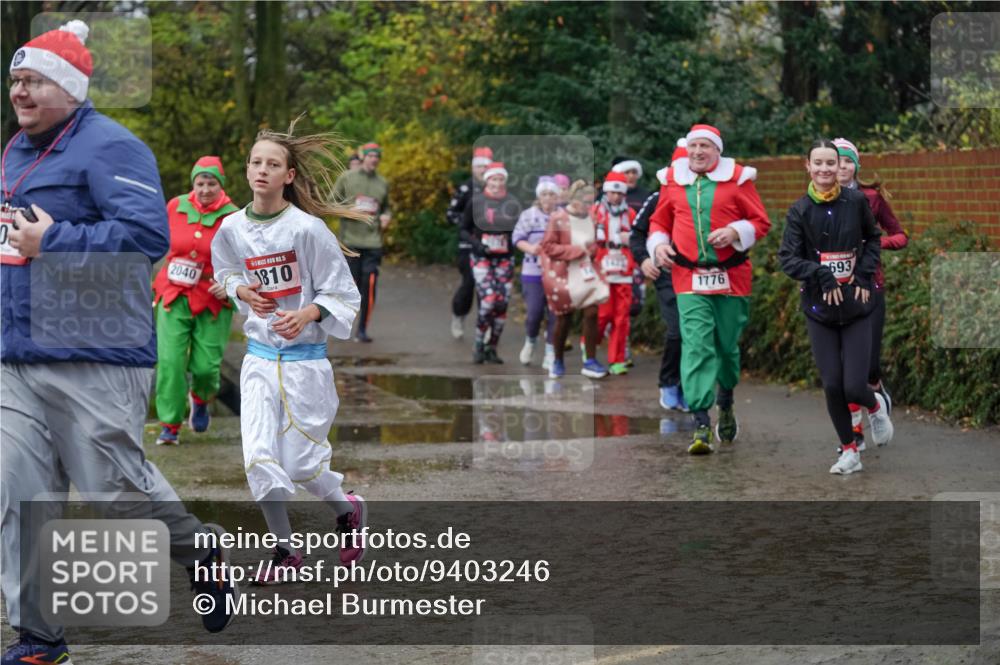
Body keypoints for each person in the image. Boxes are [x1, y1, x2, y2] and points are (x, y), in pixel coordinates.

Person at [2, 21, 237, 663]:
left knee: (115, 495)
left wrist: (53, 241)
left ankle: (200, 551)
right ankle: (39, 637)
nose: (19, 91)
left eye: (34, 80)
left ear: (70, 88)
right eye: (15, 79)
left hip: (94, 352)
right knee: (16, 490)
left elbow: (145, 238)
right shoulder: (16, 151)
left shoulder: (112, 147)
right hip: (17, 355)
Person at [211, 122, 368, 583]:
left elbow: (344, 295)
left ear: (289, 176)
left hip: (305, 366)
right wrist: (242, 288)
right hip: (259, 360)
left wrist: (309, 314)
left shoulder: (308, 230)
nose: (262, 170)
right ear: (247, 170)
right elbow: (222, 273)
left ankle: (348, 510)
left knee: (300, 464)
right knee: (258, 458)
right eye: (256, 162)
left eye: (273, 164)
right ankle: (284, 551)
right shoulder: (232, 228)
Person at [647, 124, 771, 454]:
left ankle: (726, 400)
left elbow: (761, 222)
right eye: (693, 146)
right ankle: (701, 421)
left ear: (717, 150)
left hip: (731, 277)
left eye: (705, 146)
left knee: (726, 347)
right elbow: (659, 222)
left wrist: (734, 232)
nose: (698, 152)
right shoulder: (673, 181)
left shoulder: (738, 180)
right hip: (688, 278)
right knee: (696, 345)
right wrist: (658, 246)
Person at [779, 139, 895, 475]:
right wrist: (819, 274)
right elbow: (788, 258)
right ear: (808, 166)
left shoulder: (856, 201)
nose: (826, 169)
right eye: (819, 163)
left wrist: (860, 276)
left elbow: (872, 239)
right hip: (820, 310)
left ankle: (875, 408)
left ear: (840, 166)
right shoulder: (800, 210)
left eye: (832, 163)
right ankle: (849, 451)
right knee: (832, 384)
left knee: (855, 385)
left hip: (857, 306)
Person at [152, 156, 239, 445]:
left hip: (213, 299)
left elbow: (247, 261)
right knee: (170, 362)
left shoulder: (234, 217)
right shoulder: (176, 206)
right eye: (199, 183)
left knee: (205, 368)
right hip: (174, 294)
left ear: (221, 185)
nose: (204, 189)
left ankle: (201, 398)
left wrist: (228, 284)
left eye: (211, 183)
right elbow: (160, 242)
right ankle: (170, 425)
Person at [833, 137, 908, 448]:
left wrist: (873, 247)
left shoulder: (872, 198)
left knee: (868, 366)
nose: (841, 167)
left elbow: (901, 236)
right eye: (835, 161)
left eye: (847, 161)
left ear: (856, 166)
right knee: (844, 367)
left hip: (870, 287)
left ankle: (876, 388)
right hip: (836, 293)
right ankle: (856, 433)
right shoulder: (819, 200)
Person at [630, 139, 689, 411]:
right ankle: (668, 381)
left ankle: (690, 387)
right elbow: (637, 235)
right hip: (667, 275)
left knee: (696, 335)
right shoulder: (658, 198)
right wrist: (643, 260)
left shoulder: (709, 195)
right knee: (678, 331)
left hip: (699, 275)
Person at [540, 180, 610, 379]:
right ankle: (558, 359)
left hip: (586, 271)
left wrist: (593, 250)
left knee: (592, 312)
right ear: (573, 199)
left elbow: (594, 243)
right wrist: (575, 251)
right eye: (584, 202)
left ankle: (590, 360)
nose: (587, 206)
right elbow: (548, 246)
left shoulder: (592, 216)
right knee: (564, 319)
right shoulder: (558, 218)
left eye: (590, 202)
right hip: (563, 274)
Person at [459, 161, 521, 364]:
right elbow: (463, 230)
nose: (497, 183)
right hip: (482, 258)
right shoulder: (476, 201)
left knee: (502, 304)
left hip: (504, 259)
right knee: (488, 302)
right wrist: (477, 244)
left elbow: (518, 231)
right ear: (487, 180)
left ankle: (492, 347)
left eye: (500, 179)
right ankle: (478, 344)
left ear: (505, 181)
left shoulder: (512, 202)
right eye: (493, 179)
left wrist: (512, 242)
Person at [331, 141, 390, 343]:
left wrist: (386, 216)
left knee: (370, 285)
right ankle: (342, 324)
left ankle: (362, 329)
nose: (374, 159)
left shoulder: (382, 183)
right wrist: (350, 210)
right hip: (351, 242)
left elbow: (386, 208)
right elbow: (330, 203)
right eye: (371, 155)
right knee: (351, 287)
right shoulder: (347, 178)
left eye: (377, 156)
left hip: (373, 243)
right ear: (363, 157)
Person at [592, 171, 637, 375]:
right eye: (611, 193)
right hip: (601, 270)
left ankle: (617, 359)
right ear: (606, 192)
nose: (616, 197)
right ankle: (589, 347)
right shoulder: (595, 212)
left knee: (621, 317)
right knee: (602, 315)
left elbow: (638, 240)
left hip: (624, 270)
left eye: (619, 193)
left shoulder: (631, 214)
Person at [512, 175, 558, 367]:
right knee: (534, 312)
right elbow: (517, 238)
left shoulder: (562, 216)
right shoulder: (528, 215)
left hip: (557, 272)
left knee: (556, 313)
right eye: (544, 194)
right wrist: (531, 249)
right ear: (539, 196)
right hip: (533, 270)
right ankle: (530, 341)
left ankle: (550, 351)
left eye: (551, 194)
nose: (548, 198)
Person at [447, 146, 492, 339]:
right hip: (467, 245)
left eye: (485, 167)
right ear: (473, 168)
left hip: (490, 246)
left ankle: (484, 325)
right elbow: (450, 214)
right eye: (479, 167)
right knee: (470, 283)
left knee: (488, 286)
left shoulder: (496, 190)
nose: (482, 170)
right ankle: (458, 315)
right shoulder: (466, 188)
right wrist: (468, 226)